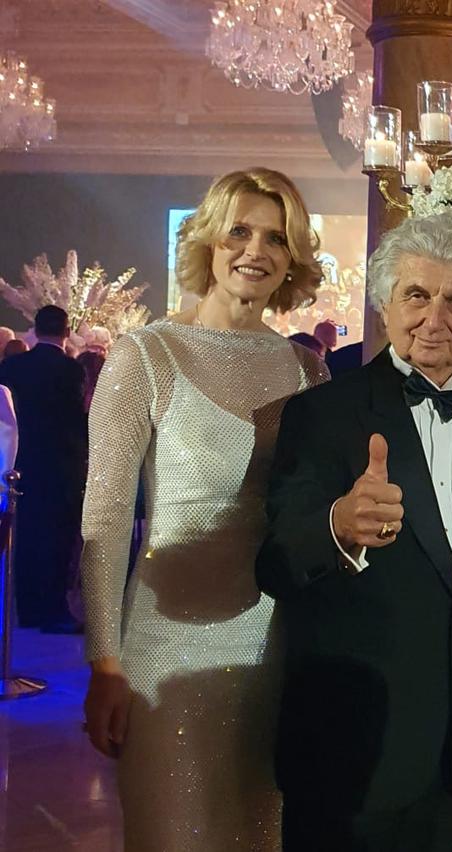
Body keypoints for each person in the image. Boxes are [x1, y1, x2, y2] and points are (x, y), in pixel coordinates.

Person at [256, 212, 452, 852]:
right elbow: (276, 563)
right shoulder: (324, 413)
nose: (435, 318)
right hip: (352, 749)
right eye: (417, 295)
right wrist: (338, 527)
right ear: (384, 306)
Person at [80, 167, 328, 851]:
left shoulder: (308, 372)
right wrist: (104, 663)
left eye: (276, 238)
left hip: (274, 653)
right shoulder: (145, 356)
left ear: (293, 259)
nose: (256, 251)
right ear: (209, 239)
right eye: (239, 231)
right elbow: (104, 521)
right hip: (167, 654)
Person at [0, 305, 87, 632]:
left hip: (19, 463)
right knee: (57, 538)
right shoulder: (71, 370)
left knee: (25, 535)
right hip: (60, 466)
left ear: (35, 331)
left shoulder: (12, 366)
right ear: (67, 332)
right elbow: (76, 419)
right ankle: (52, 610)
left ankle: (25, 606)